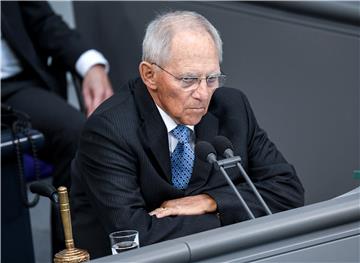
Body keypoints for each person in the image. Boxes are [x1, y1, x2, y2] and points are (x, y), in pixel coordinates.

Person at [70, 11, 304, 258]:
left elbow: (288, 192)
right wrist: (233, 218)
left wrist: (211, 202)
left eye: (212, 78)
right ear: (150, 75)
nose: (203, 94)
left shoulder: (232, 107)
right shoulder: (110, 129)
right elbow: (135, 236)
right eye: (188, 79)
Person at [1, 1, 113, 256]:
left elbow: (44, 21)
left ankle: (71, 253)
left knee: (75, 133)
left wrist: (91, 65)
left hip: (13, 87)